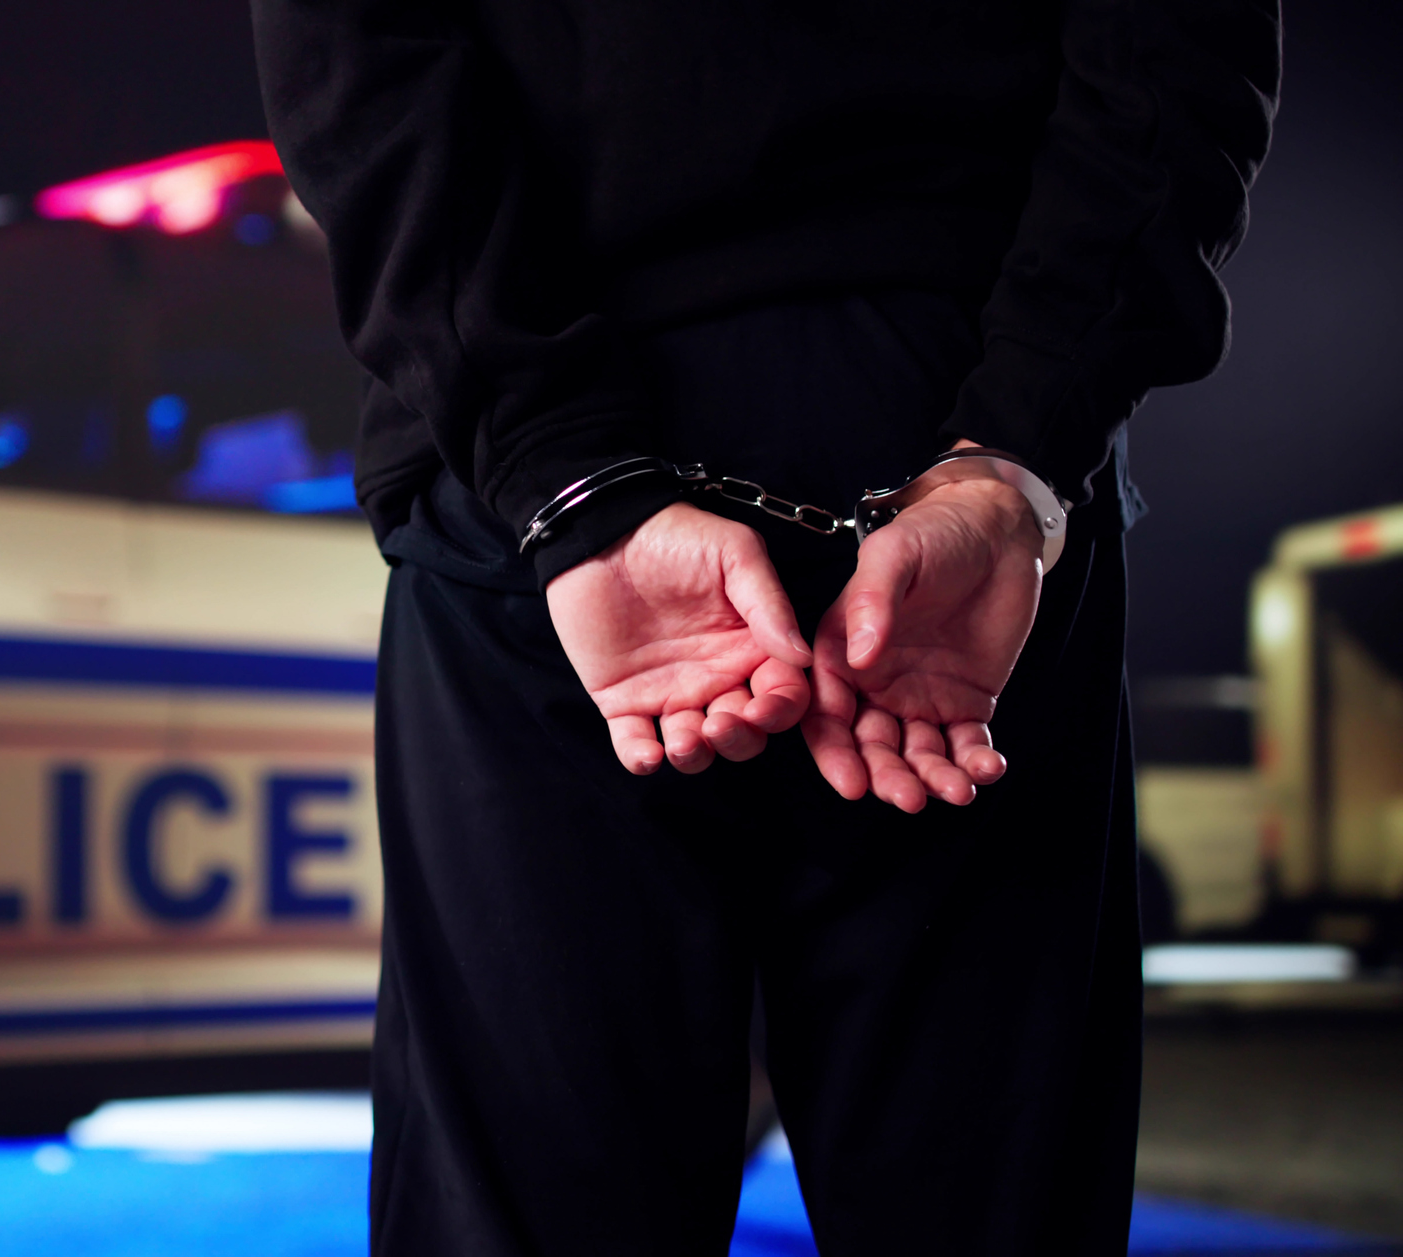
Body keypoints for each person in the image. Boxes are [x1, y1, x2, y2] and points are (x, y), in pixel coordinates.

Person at [251, 0, 1279, 1252]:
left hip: (546, 494)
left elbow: (359, 62)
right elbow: (1171, 52)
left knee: (523, 1208)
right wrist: (1017, 442)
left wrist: (557, 471)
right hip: (957, 467)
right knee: (986, 1206)